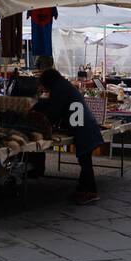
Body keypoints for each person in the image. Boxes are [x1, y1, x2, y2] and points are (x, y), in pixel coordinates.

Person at [32, 67, 102, 204]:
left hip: (83, 127)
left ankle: (91, 192)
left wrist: (41, 120)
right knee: (84, 160)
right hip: (83, 125)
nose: (44, 88)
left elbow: (54, 112)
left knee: (85, 161)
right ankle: (82, 189)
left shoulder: (60, 89)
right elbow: (52, 105)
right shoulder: (63, 86)